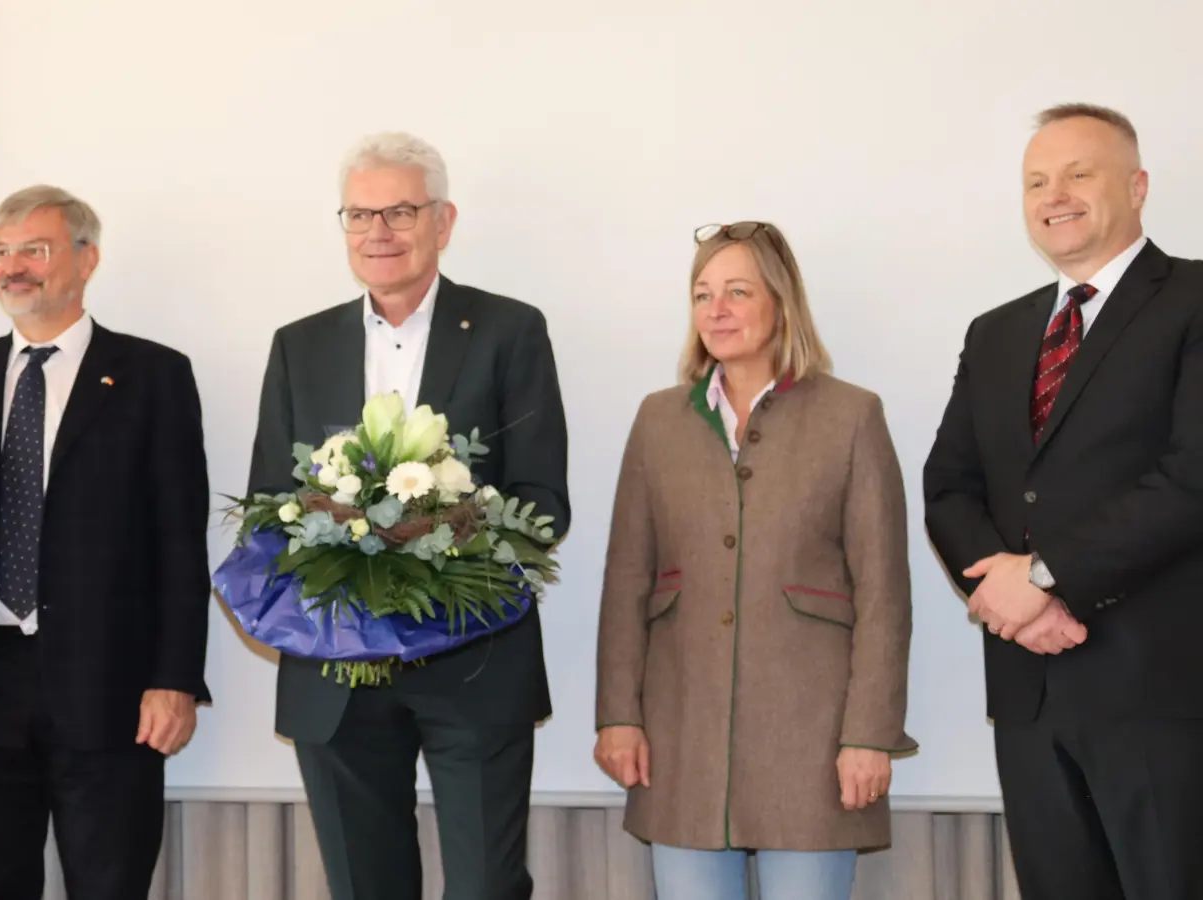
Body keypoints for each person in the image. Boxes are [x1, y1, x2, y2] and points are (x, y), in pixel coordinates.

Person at [246, 132, 569, 900]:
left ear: (443, 221)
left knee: (486, 887)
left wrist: (440, 534)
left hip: (474, 662)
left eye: (398, 211)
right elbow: (268, 507)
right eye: (359, 215)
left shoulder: (509, 331)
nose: (378, 232)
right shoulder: (300, 345)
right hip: (336, 669)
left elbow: (543, 503)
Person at [0, 185, 212, 899]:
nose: (13, 266)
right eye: (1, 251)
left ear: (86, 260)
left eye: (35, 248)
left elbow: (179, 543)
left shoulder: (153, 375)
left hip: (110, 687)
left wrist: (175, 677)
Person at [924, 103, 1203, 900]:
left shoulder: (1192, 300)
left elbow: (1193, 478)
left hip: (1159, 690)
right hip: (1029, 694)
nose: (1057, 194)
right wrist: (1010, 598)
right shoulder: (996, 332)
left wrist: (1044, 577)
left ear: (1138, 185)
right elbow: (949, 485)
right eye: (1037, 180)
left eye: (1080, 173)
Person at [593, 220, 916, 900]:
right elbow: (626, 580)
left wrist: (870, 736)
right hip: (681, 742)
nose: (717, 308)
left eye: (737, 291)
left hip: (814, 742)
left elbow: (885, 592)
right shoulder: (658, 419)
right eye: (703, 293)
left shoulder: (852, 416)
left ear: (782, 301)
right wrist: (618, 715)